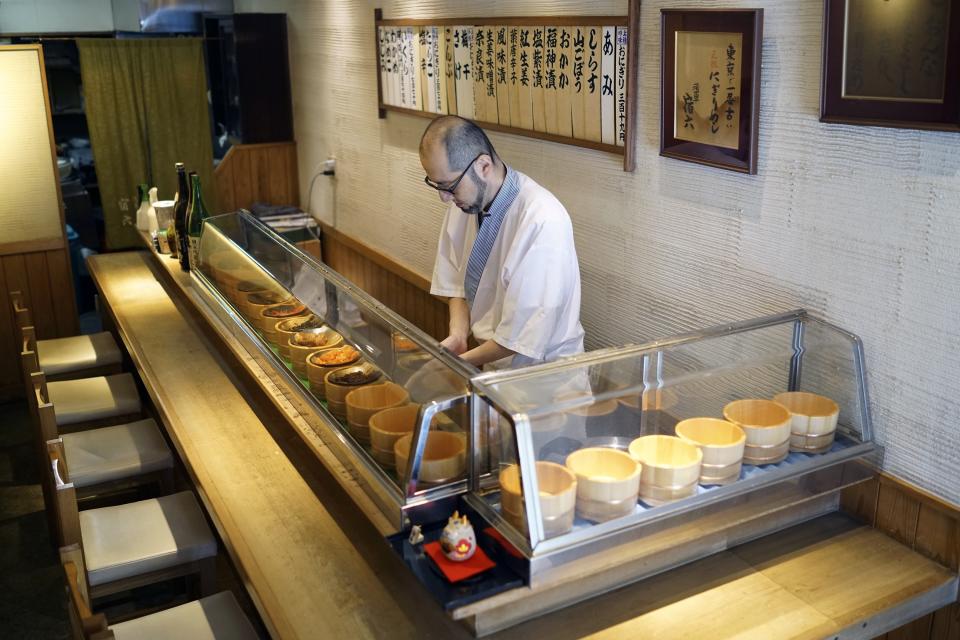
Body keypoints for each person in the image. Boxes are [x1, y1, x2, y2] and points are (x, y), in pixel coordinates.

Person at [420, 116, 585, 369]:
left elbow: (520, 338)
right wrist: (457, 334)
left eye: (450, 186)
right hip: (492, 366)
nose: (444, 197)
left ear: (483, 165)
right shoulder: (464, 203)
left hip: (544, 379)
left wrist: (454, 364)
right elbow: (457, 283)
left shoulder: (542, 219)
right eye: (438, 186)